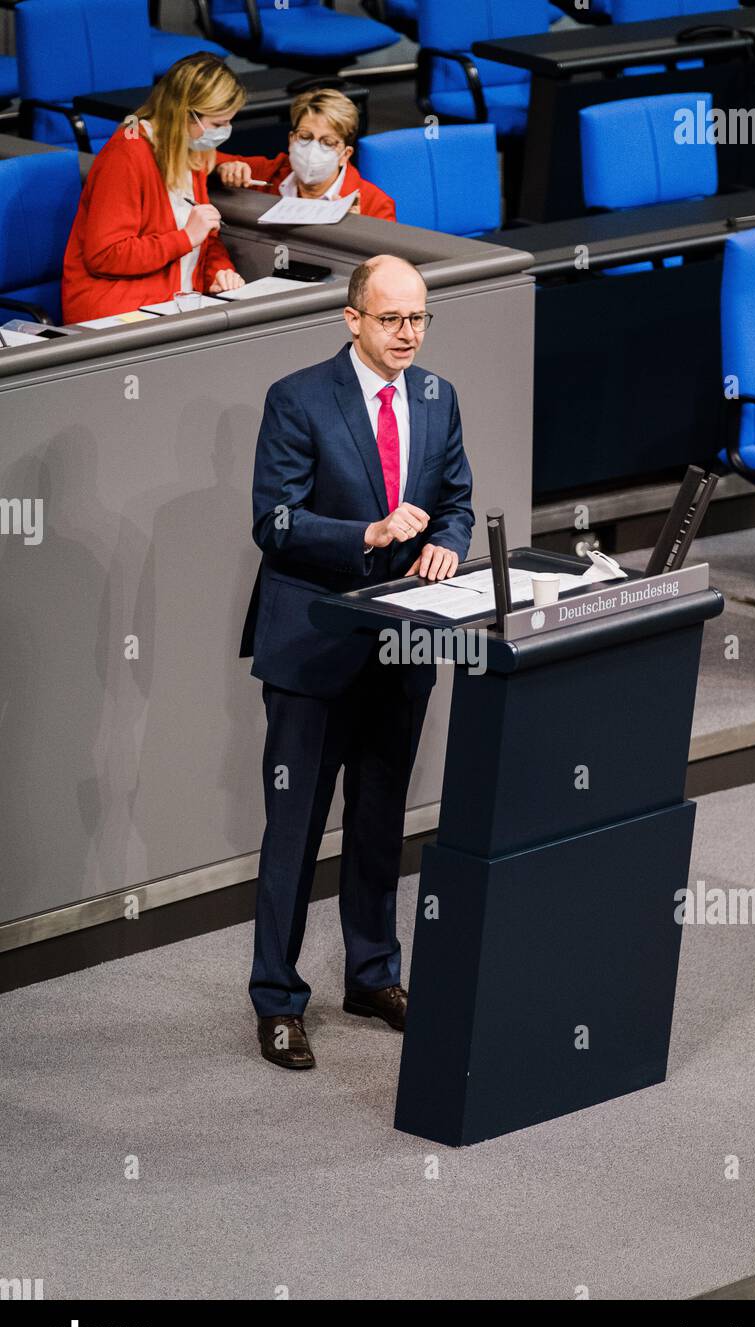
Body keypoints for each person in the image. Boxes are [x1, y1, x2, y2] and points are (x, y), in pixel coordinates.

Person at [241, 254, 474, 1070]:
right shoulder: (299, 398)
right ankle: (276, 998)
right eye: (391, 319)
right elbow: (273, 522)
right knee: (294, 832)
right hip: (312, 648)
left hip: (400, 643)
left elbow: (456, 501)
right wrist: (366, 535)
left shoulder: (437, 399)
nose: (408, 334)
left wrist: (445, 545)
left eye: (418, 319)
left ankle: (373, 973)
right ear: (352, 319)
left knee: (380, 823)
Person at [62, 54, 246, 324]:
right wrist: (184, 239)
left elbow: (204, 235)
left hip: (174, 306)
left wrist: (220, 272)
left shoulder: (192, 151)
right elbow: (105, 255)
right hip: (117, 313)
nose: (223, 132)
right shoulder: (126, 156)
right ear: (184, 113)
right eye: (217, 124)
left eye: (229, 122)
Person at [215, 87, 396, 221]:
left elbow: (388, 268)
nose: (313, 149)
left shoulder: (375, 204)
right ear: (291, 139)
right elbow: (200, 160)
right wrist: (222, 168)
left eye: (327, 142)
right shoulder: (270, 172)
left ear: (345, 155)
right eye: (305, 136)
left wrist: (357, 230)